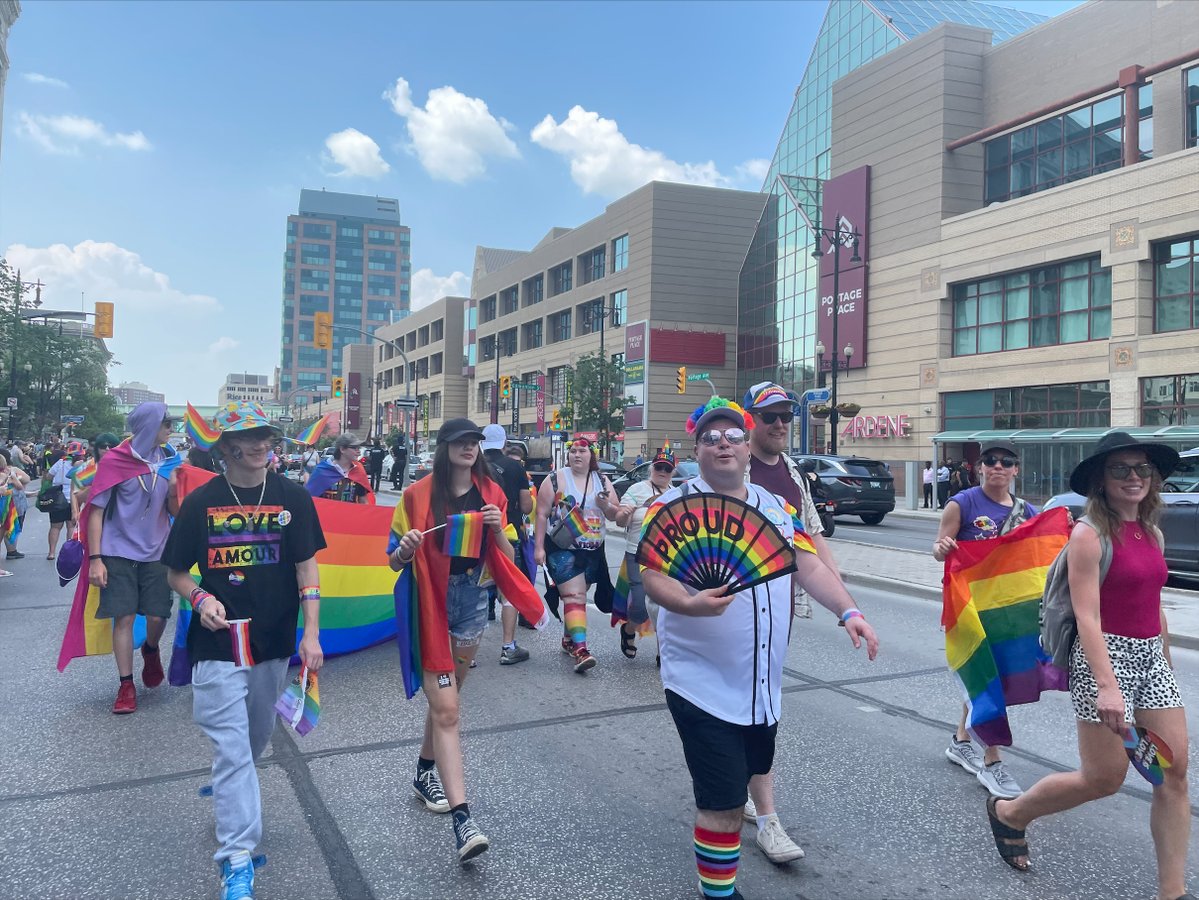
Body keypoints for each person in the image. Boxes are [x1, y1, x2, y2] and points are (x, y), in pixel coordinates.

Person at [641, 396, 879, 900]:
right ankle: (720, 893)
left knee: (745, 781)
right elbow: (652, 576)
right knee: (724, 803)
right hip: (699, 683)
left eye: (732, 436)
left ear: (748, 446)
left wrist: (849, 611)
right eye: (710, 437)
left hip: (761, 688)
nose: (722, 444)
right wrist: (690, 604)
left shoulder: (776, 509)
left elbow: (809, 565)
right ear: (696, 448)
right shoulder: (669, 507)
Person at [984, 432, 1190, 897]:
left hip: (1150, 656)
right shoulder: (1089, 534)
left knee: (1173, 771)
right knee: (1104, 779)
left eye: (1142, 469)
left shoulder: (1152, 532)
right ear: (1101, 479)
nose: (1134, 477)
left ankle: (1171, 891)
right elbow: (1087, 616)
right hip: (1105, 657)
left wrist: (1166, 663)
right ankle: (1010, 813)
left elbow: (1153, 604)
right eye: (1121, 470)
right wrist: (1108, 685)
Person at [162, 401, 324, 900]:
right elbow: (176, 572)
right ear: (226, 446)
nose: (261, 444)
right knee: (232, 750)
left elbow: (306, 570)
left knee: (252, 742)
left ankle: (233, 791)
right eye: (250, 437)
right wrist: (200, 597)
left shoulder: (292, 495)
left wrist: (311, 634)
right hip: (217, 645)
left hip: (274, 642)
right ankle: (237, 859)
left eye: (267, 436)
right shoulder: (201, 502)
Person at [388, 417, 513, 863]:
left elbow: (509, 560)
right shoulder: (416, 495)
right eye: (460, 441)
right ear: (444, 448)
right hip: (430, 603)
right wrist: (404, 548)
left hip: (473, 601)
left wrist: (498, 528)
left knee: (449, 699)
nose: (470, 447)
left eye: (474, 441)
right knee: (448, 709)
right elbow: (392, 562)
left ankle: (425, 772)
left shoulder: (492, 494)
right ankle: (464, 820)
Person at [741, 381, 846, 862]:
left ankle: (764, 815)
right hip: (732, 605)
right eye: (770, 417)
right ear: (751, 421)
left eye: (786, 416)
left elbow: (813, 538)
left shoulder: (794, 474)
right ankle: (758, 808)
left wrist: (843, 601)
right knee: (741, 704)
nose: (780, 424)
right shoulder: (735, 468)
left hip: (777, 605)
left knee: (762, 705)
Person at [933, 439, 1037, 799]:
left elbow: (1041, 554)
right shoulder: (962, 503)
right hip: (968, 610)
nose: (997, 467)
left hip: (1006, 613)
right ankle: (993, 761)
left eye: (1005, 462)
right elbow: (937, 548)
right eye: (990, 461)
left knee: (984, 678)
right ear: (980, 467)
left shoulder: (1028, 511)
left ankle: (962, 740)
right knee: (986, 679)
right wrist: (943, 548)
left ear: (1015, 470)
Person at [85, 404, 180, 714]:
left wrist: (175, 493)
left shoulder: (169, 461)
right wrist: (96, 559)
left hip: (157, 550)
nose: (170, 427)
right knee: (124, 617)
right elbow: (96, 511)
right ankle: (125, 684)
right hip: (117, 550)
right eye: (166, 422)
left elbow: (175, 512)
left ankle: (151, 650)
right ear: (150, 426)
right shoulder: (114, 461)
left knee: (158, 615)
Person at [533, 436, 619, 673]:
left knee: (580, 594)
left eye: (582, 451)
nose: (577, 455)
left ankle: (569, 639)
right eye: (573, 451)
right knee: (574, 596)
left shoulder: (602, 481)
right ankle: (581, 650)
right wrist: (539, 547)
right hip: (562, 549)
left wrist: (606, 507)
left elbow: (614, 515)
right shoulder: (555, 479)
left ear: (592, 456)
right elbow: (541, 514)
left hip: (592, 551)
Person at [479, 424, 535, 665]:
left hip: (475, 534)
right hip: (507, 533)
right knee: (509, 589)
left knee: (474, 589)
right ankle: (508, 646)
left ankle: (467, 651)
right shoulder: (515, 467)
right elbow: (525, 507)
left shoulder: (473, 465)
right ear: (503, 443)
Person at [613, 446, 675, 657]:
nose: (663, 472)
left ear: (672, 472)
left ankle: (662, 654)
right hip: (636, 554)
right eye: (659, 467)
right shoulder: (637, 490)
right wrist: (625, 513)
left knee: (664, 606)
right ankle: (628, 629)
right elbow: (619, 521)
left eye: (667, 469)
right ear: (652, 468)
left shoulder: (675, 495)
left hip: (665, 557)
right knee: (639, 606)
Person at [305, 433, 372, 503]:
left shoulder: (358, 471)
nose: (359, 452)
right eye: (354, 448)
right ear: (342, 449)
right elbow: (310, 499)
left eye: (359, 448)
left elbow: (363, 500)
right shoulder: (321, 471)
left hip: (351, 513)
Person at [45, 443, 80, 559]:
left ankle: (51, 553)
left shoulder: (61, 463)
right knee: (71, 527)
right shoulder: (81, 466)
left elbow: (48, 477)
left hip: (57, 499)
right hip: (72, 500)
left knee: (55, 527)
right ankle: (68, 553)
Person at [1, 448, 31, 560]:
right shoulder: (11, 470)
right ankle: (11, 550)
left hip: (5, 501)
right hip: (13, 502)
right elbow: (26, 480)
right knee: (13, 525)